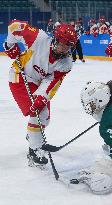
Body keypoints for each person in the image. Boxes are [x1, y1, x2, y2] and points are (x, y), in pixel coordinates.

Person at [3, 20, 77, 167]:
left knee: (45, 118)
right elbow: (14, 26)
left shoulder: (66, 63)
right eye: (62, 44)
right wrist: (9, 45)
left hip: (37, 82)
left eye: (67, 46)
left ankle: (32, 136)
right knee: (40, 114)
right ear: (55, 39)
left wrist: (41, 97)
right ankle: (34, 149)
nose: (63, 49)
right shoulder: (39, 37)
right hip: (20, 76)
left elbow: (51, 83)